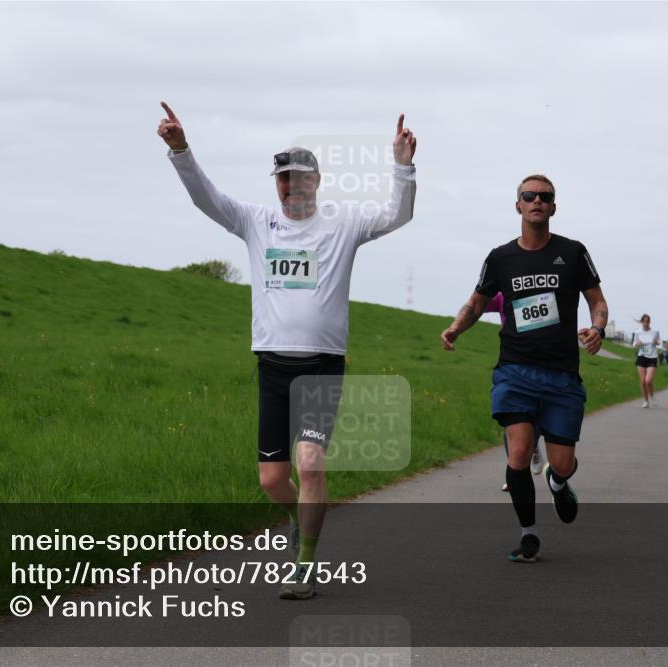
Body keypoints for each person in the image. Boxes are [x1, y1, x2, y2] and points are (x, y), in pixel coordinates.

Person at [158, 102, 417, 598]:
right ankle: (297, 516)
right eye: (282, 178)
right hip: (272, 366)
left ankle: (304, 566)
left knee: (310, 463)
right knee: (273, 480)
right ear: (275, 184)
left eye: (299, 176)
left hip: (321, 366)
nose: (290, 185)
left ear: (316, 181)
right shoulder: (255, 222)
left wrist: (402, 165)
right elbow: (205, 199)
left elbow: (397, 214)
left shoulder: (344, 225)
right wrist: (180, 150)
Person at [440, 174, 608, 563]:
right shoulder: (500, 258)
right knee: (519, 450)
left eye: (545, 197)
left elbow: (598, 301)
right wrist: (456, 328)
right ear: (517, 205)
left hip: (562, 375)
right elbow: (477, 302)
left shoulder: (573, 252)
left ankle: (558, 480)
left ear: (553, 206)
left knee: (563, 461)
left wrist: (598, 328)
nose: (537, 201)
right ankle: (528, 534)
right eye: (529, 196)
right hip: (515, 370)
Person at [484, 292, 544, 493]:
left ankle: (534, 447)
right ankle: (516, 476)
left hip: (544, 366)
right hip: (513, 368)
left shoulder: (542, 290)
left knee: (534, 422)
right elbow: (479, 303)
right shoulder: (502, 294)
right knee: (512, 422)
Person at [632, 314, 660, 408]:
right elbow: (634, 344)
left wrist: (656, 342)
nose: (645, 323)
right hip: (641, 357)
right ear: (642, 322)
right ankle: (646, 401)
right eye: (644, 321)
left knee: (648, 380)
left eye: (647, 321)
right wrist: (637, 344)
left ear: (649, 322)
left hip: (652, 357)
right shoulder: (638, 332)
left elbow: (659, 342)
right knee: (643, 381)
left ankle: (652, 396)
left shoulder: (655, 331)